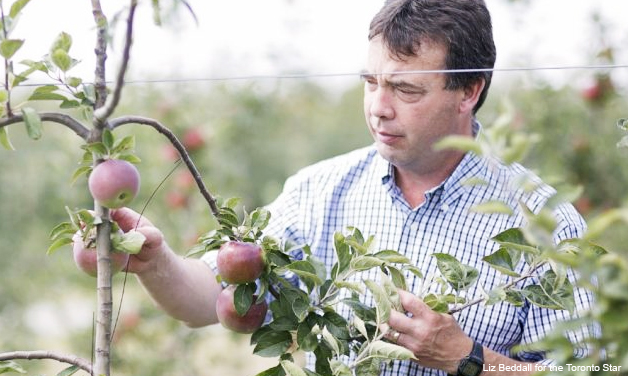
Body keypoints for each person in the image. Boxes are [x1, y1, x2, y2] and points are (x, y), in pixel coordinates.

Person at [111, 0, 595, 375]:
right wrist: (155, 262)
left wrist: (465, 358)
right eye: (370, 82)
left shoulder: (543, 225)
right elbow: (210, 298)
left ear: (469, 90)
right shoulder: (320, 192)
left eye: (406, 89)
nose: (379, 107)